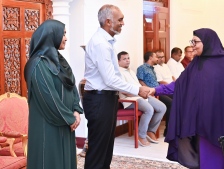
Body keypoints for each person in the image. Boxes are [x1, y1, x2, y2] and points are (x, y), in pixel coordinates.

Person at [149, 28, 224, 169]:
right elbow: (180, 85)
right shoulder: (196, 64)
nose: (192, 45)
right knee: (206, 158)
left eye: (195, 42)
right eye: (192, 42)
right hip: (202, 121)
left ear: (208, 41)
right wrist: (155, 90)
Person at [83, 5, 149, 169]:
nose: (123, 23)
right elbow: (110, 79)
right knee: (98, 150)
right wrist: (137, 89)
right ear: (108, 22)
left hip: (106, 98)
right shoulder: (100, 44)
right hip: (100, 99)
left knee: (106, 148)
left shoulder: (106, 42)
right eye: (120, 20)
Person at [24, 19, 83, 169]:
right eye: (63, 34)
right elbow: (48, 98)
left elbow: (71, 86)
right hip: (49, 126)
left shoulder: (59, 61)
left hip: (66, 123)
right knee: (50, 161)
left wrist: (76, 109)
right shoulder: (38, 64)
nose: (66, 38)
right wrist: (70, 118)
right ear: (52, 35)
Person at [118, 51, 166, 146]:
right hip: (130, 99)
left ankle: (150, 131)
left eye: (128, 58)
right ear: (118, 61)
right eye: (124, 59)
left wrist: (146, 92)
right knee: (149, 109)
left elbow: (138, 85)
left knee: (162, 107)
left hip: (140, 96)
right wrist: (140, 94)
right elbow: (123, 90)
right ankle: (141, 135)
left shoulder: (130, 71)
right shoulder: (118, 73)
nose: (127, 60)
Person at [137, 51, 172, 137]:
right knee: (171, 103)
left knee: (177, 97)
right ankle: (168, 131)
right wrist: (148, 91)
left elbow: (156, 82)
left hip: (157, 90)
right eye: (156, 57)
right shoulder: (142, 68)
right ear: (150, 58)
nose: (157, 59)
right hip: (151, 92)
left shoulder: (152, 68)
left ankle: (176, 127)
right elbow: (140, 81)